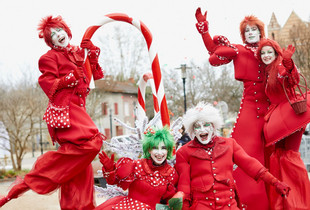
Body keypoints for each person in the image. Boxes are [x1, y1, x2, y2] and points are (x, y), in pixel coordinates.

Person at [0, 15, 105, 209]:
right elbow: (47, 84)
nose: (58, 35)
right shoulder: (48, 58)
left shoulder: (77, 52)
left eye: (60, 30)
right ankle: (36, 175)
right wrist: (70, 78)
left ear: (67, 31)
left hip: (79, 109)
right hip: (65, 110)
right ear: (49, 41)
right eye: (52, 34)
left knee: (79, 169)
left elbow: (92, 78)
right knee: (92, 142)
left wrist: (91, 55)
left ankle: (81, 206)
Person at [195, 8, 271, 209]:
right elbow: (213, 52)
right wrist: (204, 30)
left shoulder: (269, 50)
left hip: (272, 110)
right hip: (250, 110)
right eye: (247, 31)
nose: (250, 33)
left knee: (275, 155)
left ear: (261, 32)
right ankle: (248, 202)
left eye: (254, 30)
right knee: (247, 154)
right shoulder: (239, 50)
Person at [175, 102, 290, 209]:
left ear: (213, 126)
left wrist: (275, 182)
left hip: (228, 205)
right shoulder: (184, 152)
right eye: (197, 126)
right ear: (192, 130)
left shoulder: (229, 144)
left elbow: (250, 165)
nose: (202, 129)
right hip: (202, 206)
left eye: (206, 125)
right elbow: (184, 187)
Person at [257, 38, 310, 209]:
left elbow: (290, 78)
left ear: (276, 53)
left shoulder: (279, 67)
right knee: (279, 156)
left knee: (290, 157)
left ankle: (299, 202)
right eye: (263, 53)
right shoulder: (267, 70)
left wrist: (288, 64)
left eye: (269, 52)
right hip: (278, 118)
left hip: (290, 116)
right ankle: (283, 202)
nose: (266, 55)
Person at [95, 127, 179, 210]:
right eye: (155, 148)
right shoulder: (136, 165)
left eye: (163, 148)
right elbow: (115, 181)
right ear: (149, 150)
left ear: (168, 150)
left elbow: (169, 200)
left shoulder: (171, 173)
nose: (159, 153)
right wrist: (110, 169)